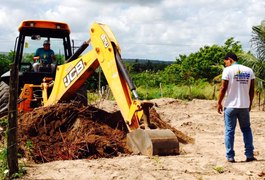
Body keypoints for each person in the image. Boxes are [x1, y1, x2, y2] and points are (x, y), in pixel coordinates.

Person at [217, 52, 256, 163]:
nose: (226, 65)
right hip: (244, 106)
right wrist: (249, 103)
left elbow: (223, 88)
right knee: (246, 130)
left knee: (229, 131)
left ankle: (230, 156)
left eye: (226, 62)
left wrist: (219, 102)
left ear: (230, 59)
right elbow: (252, 90)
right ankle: (249, 155)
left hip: (230, 106)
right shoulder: (249, 70)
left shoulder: (227, 70)